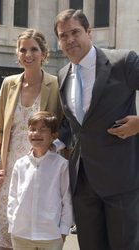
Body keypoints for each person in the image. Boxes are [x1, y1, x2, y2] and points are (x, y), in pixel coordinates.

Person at [54, 9, 139, 250]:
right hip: (83, 184)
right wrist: (54, 143)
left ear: (89, 32)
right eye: (63, 36)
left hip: (121, 181)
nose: (70, 40)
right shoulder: (62, 75)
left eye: (75, 32)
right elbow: (75, 127)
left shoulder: (123, 62)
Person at [0, 28, 63, 250]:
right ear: (17, 53)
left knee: (34, 231)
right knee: (6, 230)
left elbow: (63, 127)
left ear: (44, 53)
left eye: (34, 49)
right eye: (23, 50)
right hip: (10, 166)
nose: (28, 54)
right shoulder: (8, 84)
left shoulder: (56, 85)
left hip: (41, 166)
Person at [7, 111, 73, 250]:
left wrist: (63, 231)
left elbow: (67, 199)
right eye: (32, 129)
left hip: (50, 235)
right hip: (21, 234)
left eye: (43, 130)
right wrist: (13, 223)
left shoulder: (61, 165)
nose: (36, 134)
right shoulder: (20, 164)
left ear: (54, 135)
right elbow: (12, 197)